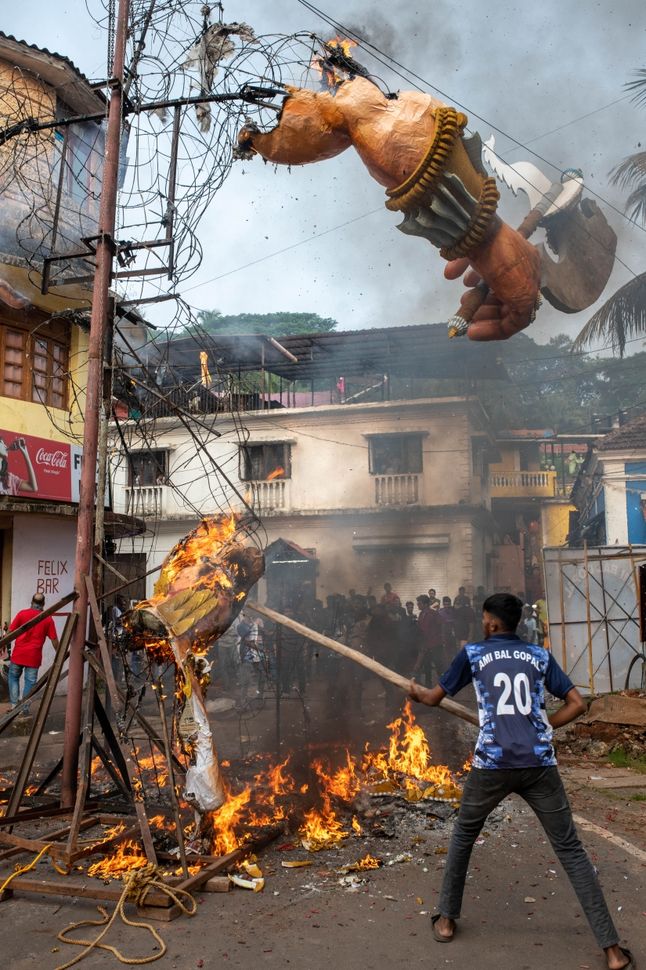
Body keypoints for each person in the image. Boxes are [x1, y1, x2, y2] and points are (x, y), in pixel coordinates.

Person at [409, 593, 633, 970]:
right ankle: (611, 950)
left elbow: (433, 698)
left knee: (464, 836)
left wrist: (415, 692)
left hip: (493, 763)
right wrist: (546, 726)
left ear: (492, 623)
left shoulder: (475, 654)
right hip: (539, 764)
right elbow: (578, 704)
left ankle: (446, 921)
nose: (482, 623)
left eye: (484, 618)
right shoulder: (539, 655)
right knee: (571, 851)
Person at [8, 592, 59, 715]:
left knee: (13, 677)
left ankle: (14, 705)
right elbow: (54, 641)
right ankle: (23, 709)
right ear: (43, 604)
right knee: (30, 682)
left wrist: (4, 645)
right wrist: (60, 653)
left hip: (18, 654)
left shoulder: (22, 614)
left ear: (31, 602)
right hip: (34, 657)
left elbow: (10, 632)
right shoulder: (47, 619)